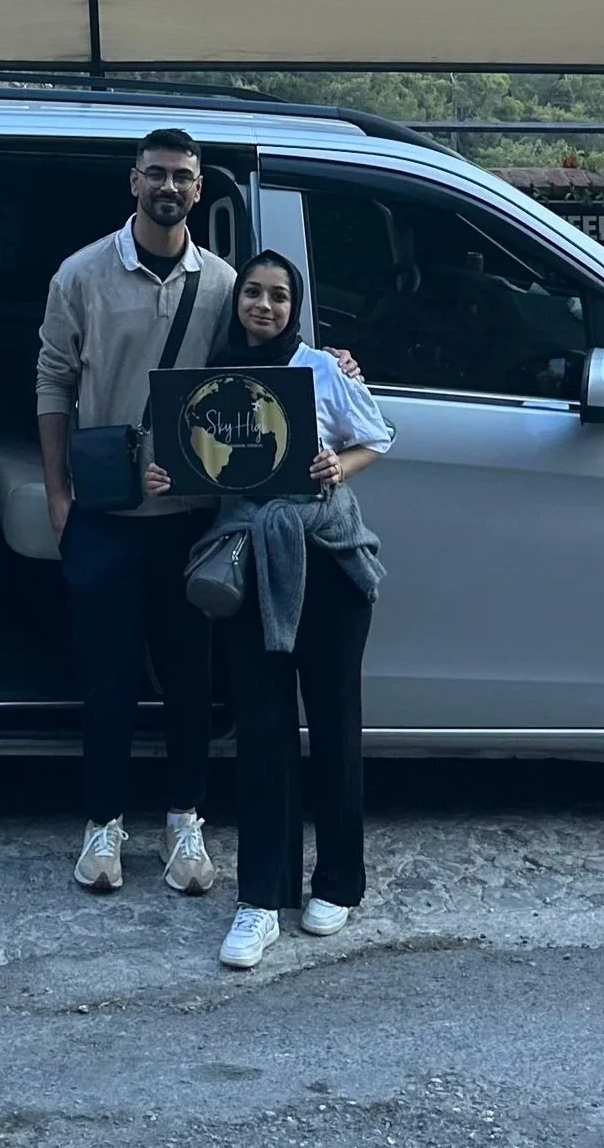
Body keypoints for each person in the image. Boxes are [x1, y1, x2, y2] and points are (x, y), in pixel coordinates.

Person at [146, 251, 390, 970]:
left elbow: (377, 436)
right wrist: (164, 475)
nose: (264, 305)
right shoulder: (210, 379)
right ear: (238, 300)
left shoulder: (322, 368)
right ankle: (261, 897)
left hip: (329, 562)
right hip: (250, 563)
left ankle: (340, 882)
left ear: (296, 305)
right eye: (253, 292)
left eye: (280, 296)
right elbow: (194, 467)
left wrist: (335, 466)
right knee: (262, 729)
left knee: (336, 722)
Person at [36, 129, 234, 896]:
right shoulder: (82, 273)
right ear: (132, 181)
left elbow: (262, 367)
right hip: (107, 512)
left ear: (199, 187)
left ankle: (185, 822)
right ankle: (103, 824)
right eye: (156, 173)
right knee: (108, 677)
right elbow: (53, 380)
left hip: (192, 516)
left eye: (182, 176)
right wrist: (59, 496)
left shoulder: (221, 283)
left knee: (191, 679)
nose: (169, 186)